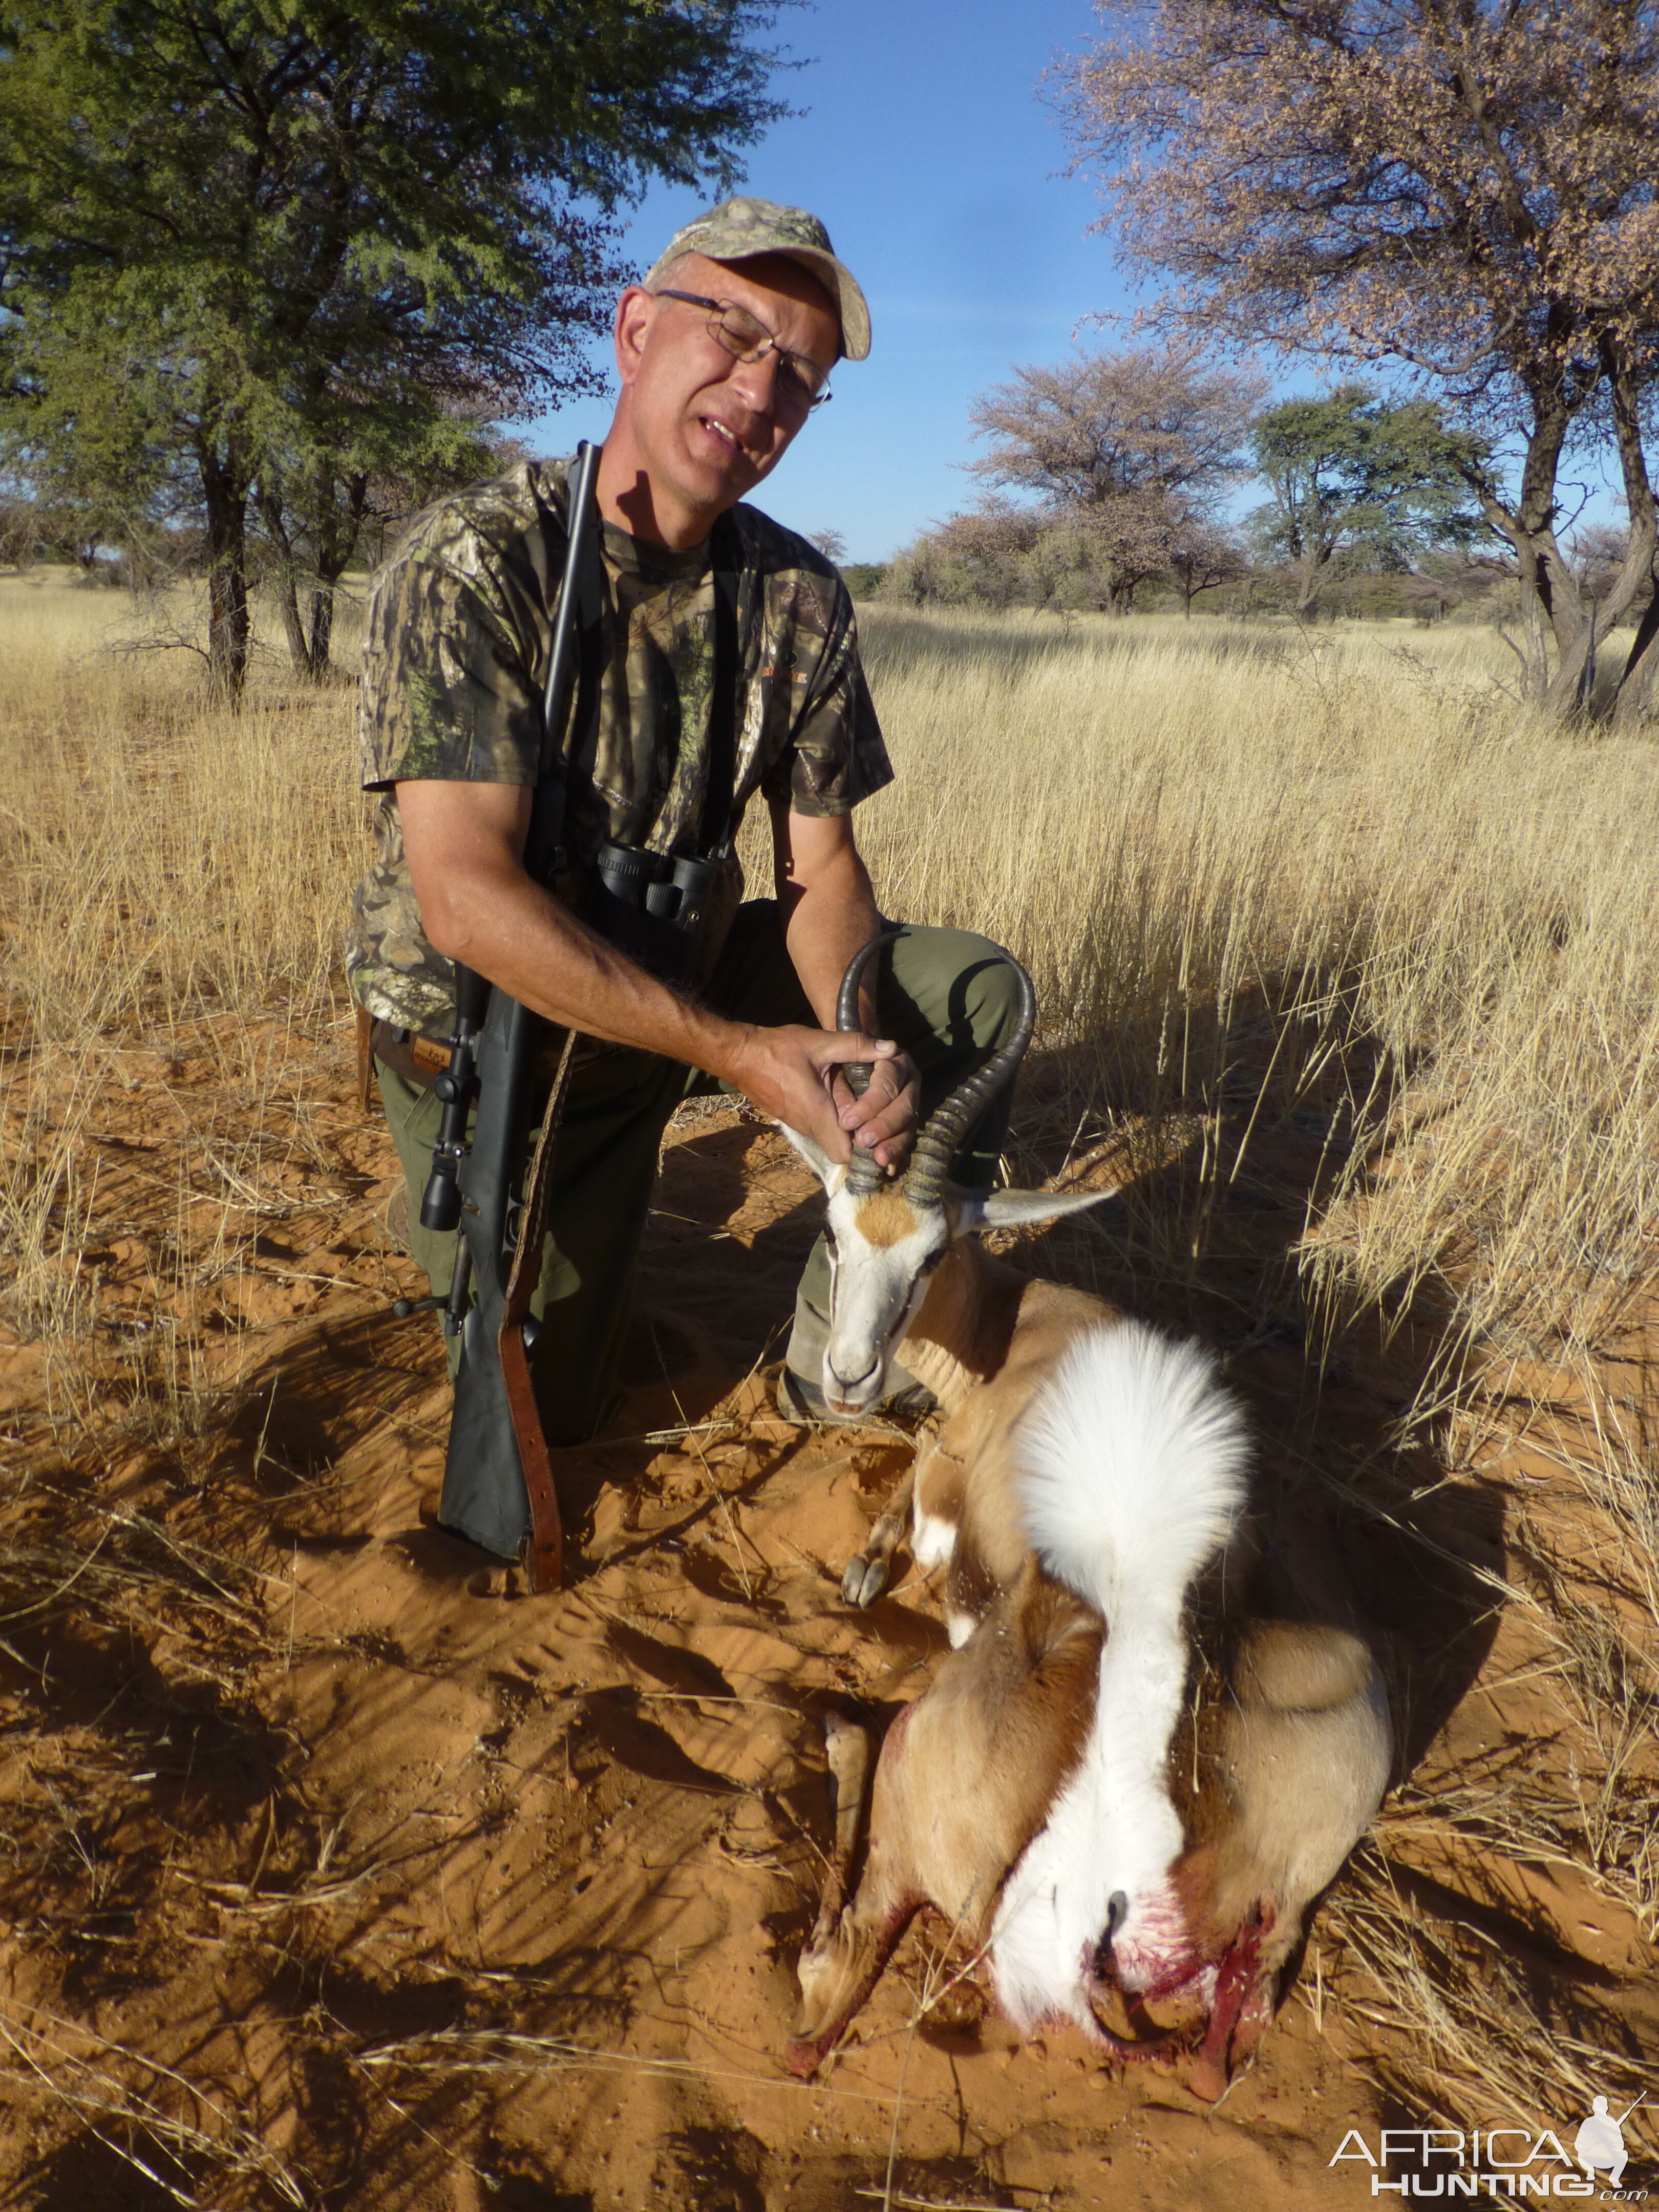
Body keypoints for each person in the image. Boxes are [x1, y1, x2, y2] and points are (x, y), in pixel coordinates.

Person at [345, 194, 1022, 1492]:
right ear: (635, 330)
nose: (762, 390)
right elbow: (466, 903)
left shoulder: (800, 594)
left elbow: (820, 871)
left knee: (967, 993)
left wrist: (851, 1036)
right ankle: (464, 1242)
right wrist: (741, 1056)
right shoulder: (476, 560)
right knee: (554, 1411)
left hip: (678, 991)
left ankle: (850, 1358)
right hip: (503, 1048)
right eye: (737, 332)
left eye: (802, 379)